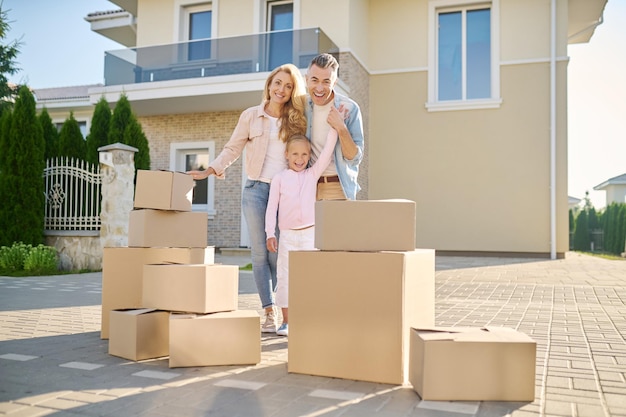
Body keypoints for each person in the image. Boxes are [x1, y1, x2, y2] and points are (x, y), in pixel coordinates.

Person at [187, 63, 307, 333]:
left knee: (280, 256)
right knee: (259, 253)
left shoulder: (297, 119)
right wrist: (211, 168)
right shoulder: (250, 116)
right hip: (255, 191)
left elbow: (307, 152)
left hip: (285, 194)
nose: (282, 90)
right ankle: (269, 311)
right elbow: (234, 147)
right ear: (269, 84)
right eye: (278, 83)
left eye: (288, 86)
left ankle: (288, 311)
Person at [265, 128, 338, 336]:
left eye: (304, 154)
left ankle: (310, 318)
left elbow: (326, 153)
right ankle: (287, 321)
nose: (300, 158)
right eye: (295, 154)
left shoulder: (312, 174)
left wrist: (333, 127)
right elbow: (272, 207)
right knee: (285, 277)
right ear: (286, 155)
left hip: (309, 235)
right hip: (287, 236)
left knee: (311, 277)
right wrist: (270, 233)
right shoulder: (279, 178)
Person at [305, 53, 365, 201]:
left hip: (337, 188)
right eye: (314, 80)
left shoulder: (349, 109)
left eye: (326, 81)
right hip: (307, 187)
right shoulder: (302, 107)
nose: (319, 88)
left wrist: (341, 128)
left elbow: (355, 158)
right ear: (306, 80)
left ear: (335, 82)